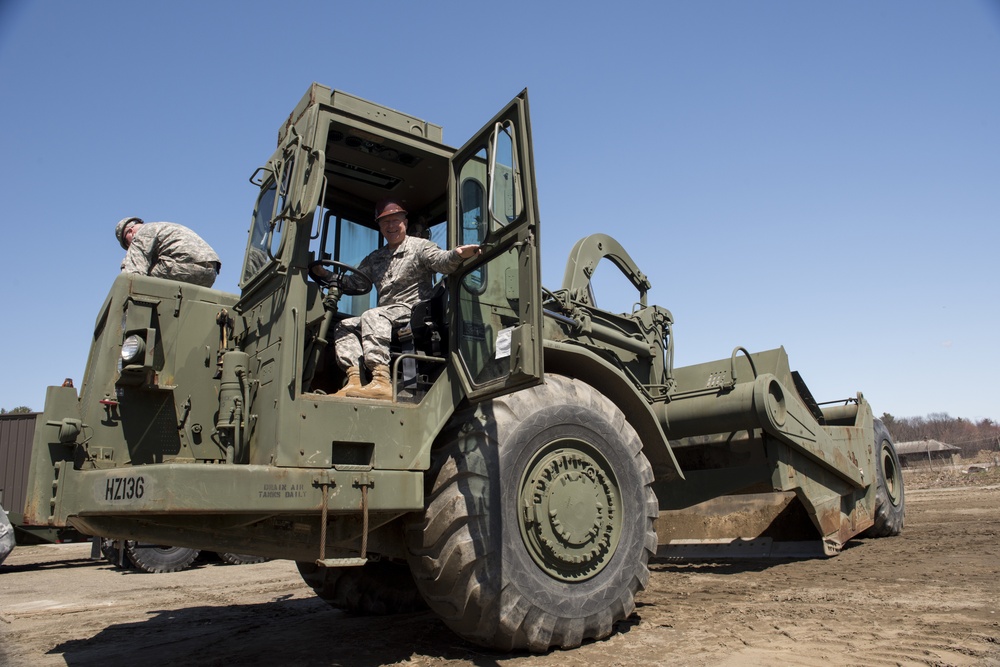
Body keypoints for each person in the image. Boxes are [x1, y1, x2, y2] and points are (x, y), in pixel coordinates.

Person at [316, 199, 480, 400]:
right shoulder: (375, 257)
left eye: (395, 220)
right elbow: (353, 283)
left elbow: (442, 262)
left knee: (372, 315)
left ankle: (381, 380)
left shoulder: (420, 247)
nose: (391, 226)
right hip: (386, 315)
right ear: (380, 226)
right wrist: (324, 274)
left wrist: (457, 254)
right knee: (344, 326)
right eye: (385, 222)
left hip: (412, 311)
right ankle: (355, 380)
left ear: (404, 221)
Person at [115, 217, 222, 288]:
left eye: (126, 243)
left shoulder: (141, 234)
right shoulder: (163, 226)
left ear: (129, 233)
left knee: (143, 280)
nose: (129, 246)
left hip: (183, 267)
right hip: (211, 272)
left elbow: (132, 273)